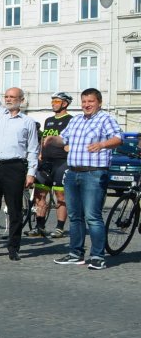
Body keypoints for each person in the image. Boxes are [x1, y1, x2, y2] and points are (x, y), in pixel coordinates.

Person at [53, 88, 123, 270]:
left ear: (98, 102)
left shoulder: (105, 118)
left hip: (94, 173)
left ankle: (98, 256)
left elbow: (118, 138)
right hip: (73, 172)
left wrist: (102, 144)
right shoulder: (76, 120)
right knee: (75, 216)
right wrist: (53, 139)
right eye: (84, 101)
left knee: (93, 216)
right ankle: (76, 253)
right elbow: (63, 139)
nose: (86, 105)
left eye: (90, 101)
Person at [0, 52, 38, 260]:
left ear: (21, 100)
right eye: (7, 97)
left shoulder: (27, 122)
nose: (8, 99)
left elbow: (33, 149)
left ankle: (14, 248)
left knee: (14, 210)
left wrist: (31, 173)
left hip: (15, 167)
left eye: (13, 97)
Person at [32, 92, 73, 239]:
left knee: (60, 196)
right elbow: (43, 138)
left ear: (65, 103)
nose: (53, 103)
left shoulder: (71, 120)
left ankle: (59, 227)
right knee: (39, 194)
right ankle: (39, 226)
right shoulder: (48, 120)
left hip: (62, 162)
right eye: (52, 101)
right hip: (46, 162)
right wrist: (40, 154)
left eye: (56, 101)